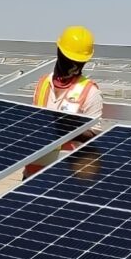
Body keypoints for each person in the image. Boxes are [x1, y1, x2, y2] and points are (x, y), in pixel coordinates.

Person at [22, 25, 104, 179]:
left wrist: (71, 128)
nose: (75, 66)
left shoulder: (90, 91)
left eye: (80, 62)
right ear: (59, 52)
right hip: (32, 173)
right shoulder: (43, 83)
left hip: (64, 177)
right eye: (71, 60)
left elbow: (95, 136)